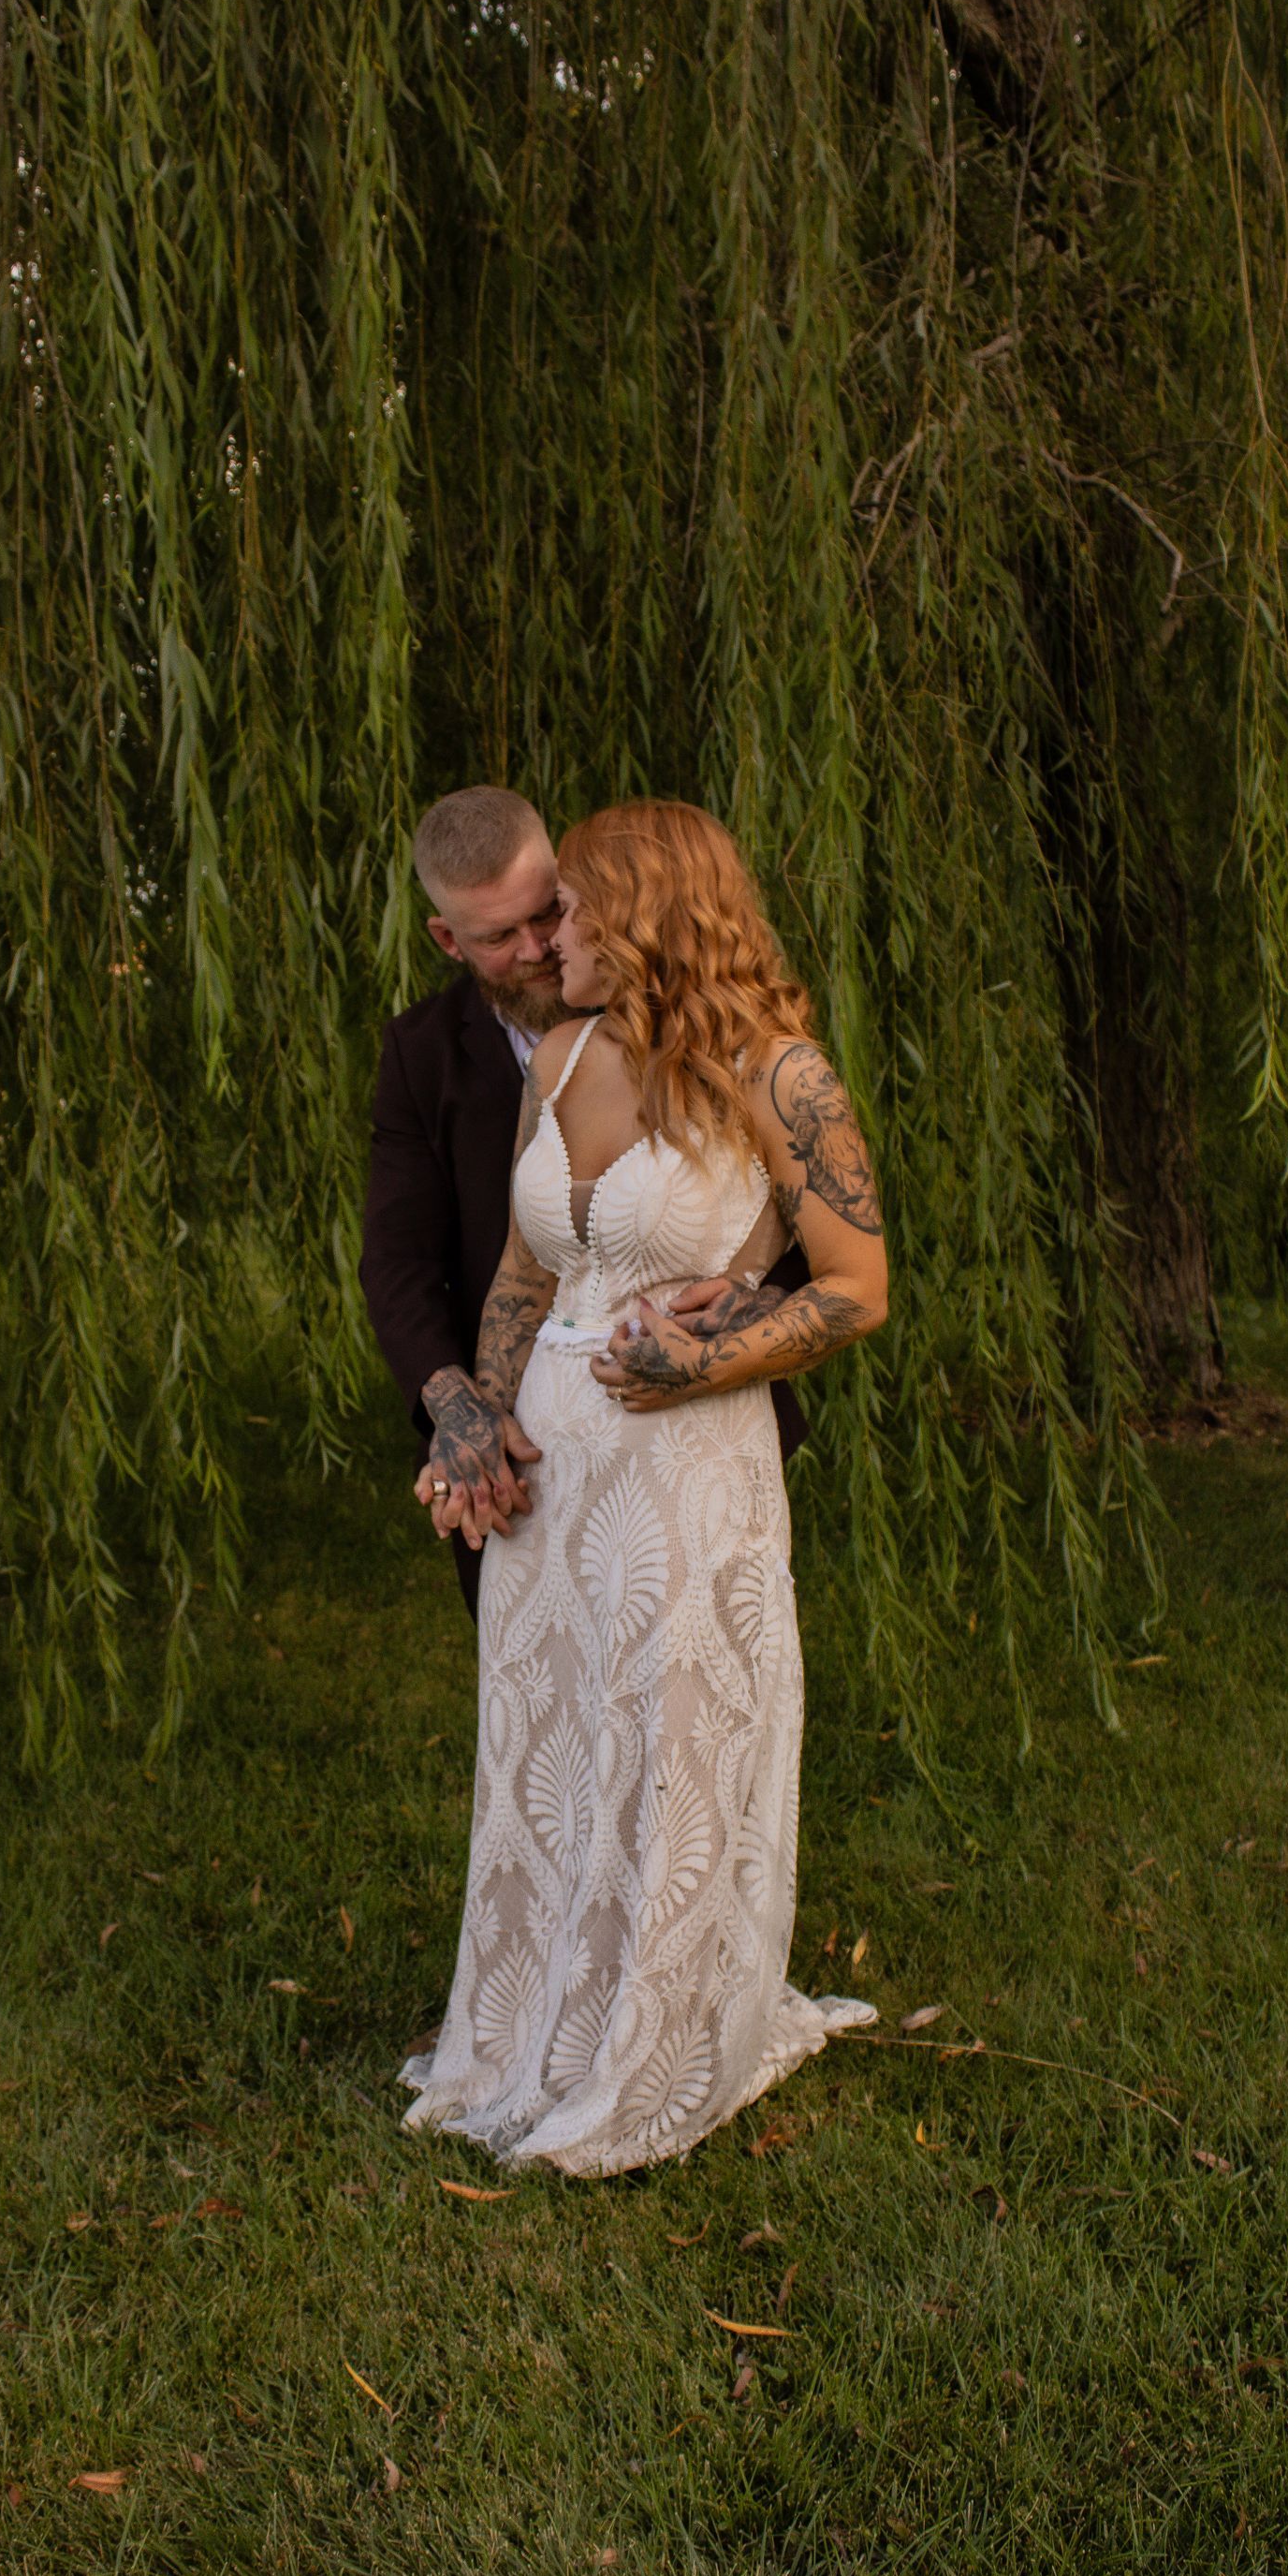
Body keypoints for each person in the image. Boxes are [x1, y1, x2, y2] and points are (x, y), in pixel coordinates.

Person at [399, 801, 889, 2175]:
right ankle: (532, 2026)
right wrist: (476, 1432)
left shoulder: (782, 1075)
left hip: (687, 1467)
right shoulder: (556, 1057)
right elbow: (522, 1273)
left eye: (579, 916)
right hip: (555, 1479)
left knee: (675, 1745)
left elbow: (858, 1290)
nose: (554, 939)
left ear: (655, 922)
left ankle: (662, 2041)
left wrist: (713, 1351)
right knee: (553, 1748)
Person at [359, 785, 811, 1618]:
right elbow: (402, 1259)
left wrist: (760, 1304)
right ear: (447, 939)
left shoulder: (722, 1036)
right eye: (500, 937)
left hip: (690, 1426)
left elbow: (794, 1208)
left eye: (549, 913)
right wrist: (461, 1412)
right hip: (520, 1452)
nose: (538, 948)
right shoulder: (422, 1054)